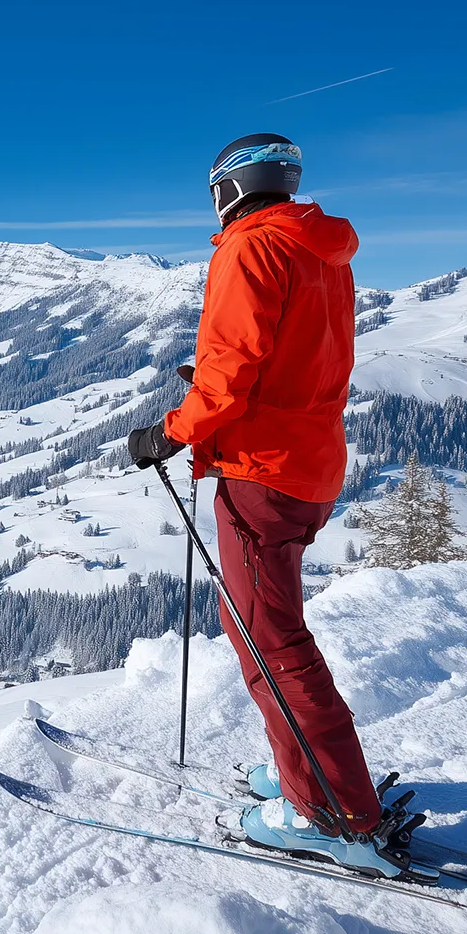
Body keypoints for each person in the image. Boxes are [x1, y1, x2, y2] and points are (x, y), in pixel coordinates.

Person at [126, 133, 414, 879]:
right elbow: (303, 358)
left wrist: (168, 431)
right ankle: (305, 770)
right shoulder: (322, 251)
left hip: (261, 471)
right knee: (259, 626)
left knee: (270, 640)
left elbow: (226, 380)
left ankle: (335, 812)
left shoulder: (246, 249)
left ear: (230, 187)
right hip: (308, 465)